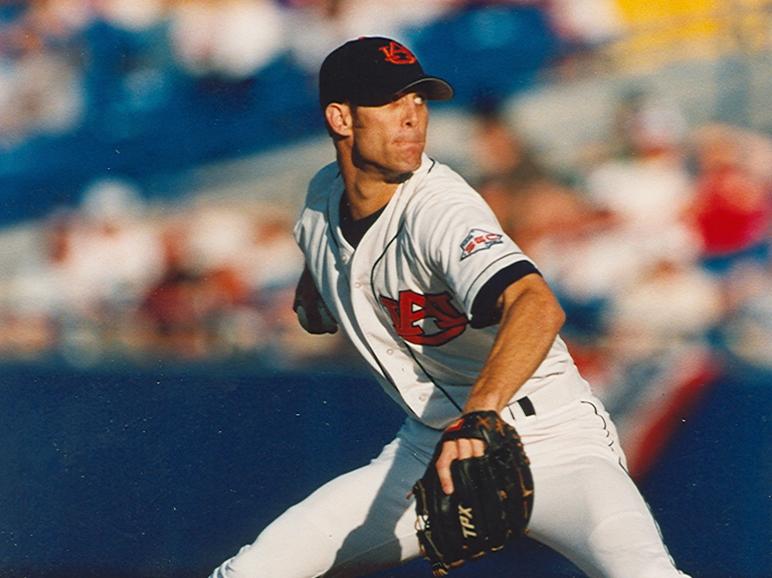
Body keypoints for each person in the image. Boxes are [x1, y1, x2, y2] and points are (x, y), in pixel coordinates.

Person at [209, 36, 691, 578]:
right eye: (391, 102)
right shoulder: (321, 199)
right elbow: (325, 276)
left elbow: (536, 305)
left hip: (552, 435)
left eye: (420, 100)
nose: (413, 116)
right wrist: (316, 299)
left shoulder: (441, 208)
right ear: (341, 119)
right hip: (427, 449)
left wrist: (478, 417)